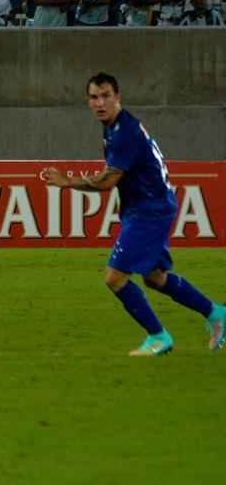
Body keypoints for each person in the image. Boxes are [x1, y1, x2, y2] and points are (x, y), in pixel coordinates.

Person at [43, 73, 226, 356]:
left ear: (118, 97)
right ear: (87, 101)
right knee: (155, 277)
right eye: (94, 97)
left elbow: (107, 182)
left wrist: (68, 182)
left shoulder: (123, 133)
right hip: (146, 207)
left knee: (114, 277)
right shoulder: (115, 127)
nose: (100, 102)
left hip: (149, 210)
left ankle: (158, 337)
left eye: (106, 96)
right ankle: (216, 314)